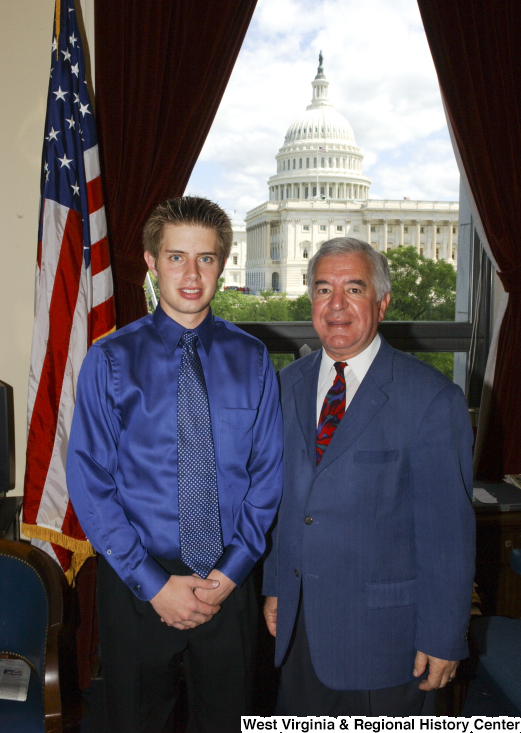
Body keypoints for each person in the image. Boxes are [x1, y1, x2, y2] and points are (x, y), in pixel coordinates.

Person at [67, 196, 283, 733]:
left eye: (206, 259)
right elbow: (90, 481)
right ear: (150, 261)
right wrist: (155, 584)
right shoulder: (110, 360)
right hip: (139, 586)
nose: (191, 274)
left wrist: (229, 576)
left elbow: (267, 478)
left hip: (227, 589)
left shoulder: (253, 358)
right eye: (176, 257)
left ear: (222, 264)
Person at [263, 237, 475, 717]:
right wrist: (276, 585)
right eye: (323, 289)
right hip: (299, 633)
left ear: (381, 302)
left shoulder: (431, 398)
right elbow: (285, 502)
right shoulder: (286, 385)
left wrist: (443, 636)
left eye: (353, 289)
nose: (336, 305)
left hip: (388, 646)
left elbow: (449, 537)